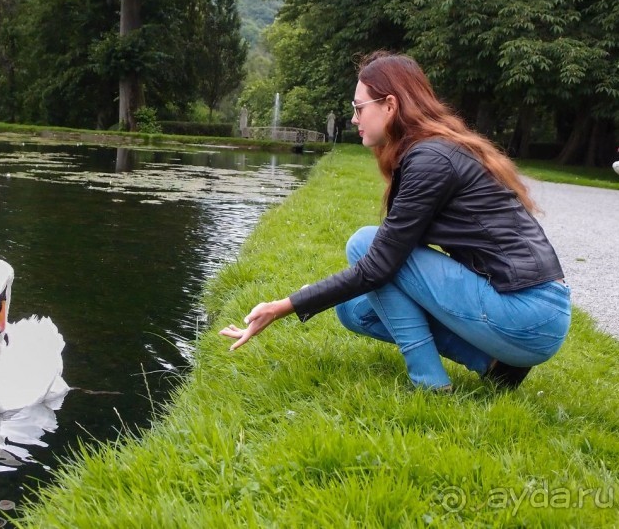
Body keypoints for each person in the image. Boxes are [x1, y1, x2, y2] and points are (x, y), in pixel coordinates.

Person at [220, 51, 571, 391]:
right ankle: (494, 366)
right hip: (529, 313)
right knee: (354, 311)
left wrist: (282, 306)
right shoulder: (432, 151)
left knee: (363, 243)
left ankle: (429, 384)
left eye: (359, 108)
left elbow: (378, 264)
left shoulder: (430, 159)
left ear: (389, 105)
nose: (355, 118)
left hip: (529, 313)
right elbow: (389, 259)